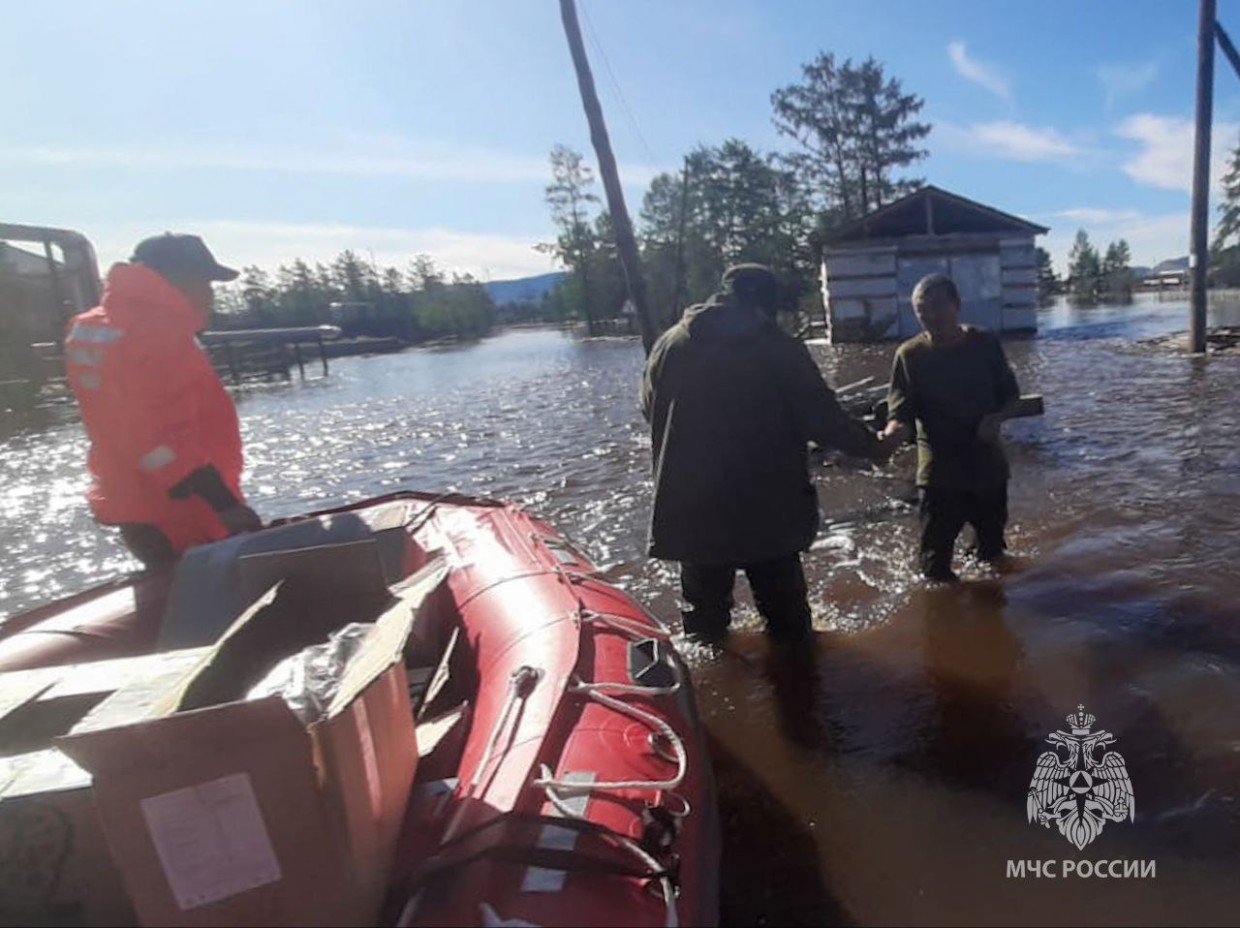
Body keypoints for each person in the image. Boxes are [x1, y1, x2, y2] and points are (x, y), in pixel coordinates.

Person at [641, 264, 899, 642]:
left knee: (703, 629)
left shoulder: (669, 344)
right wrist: (876, 446)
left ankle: (709, 693)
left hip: (692, 508)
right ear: (765, 305)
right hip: (765, 508)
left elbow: (649, 408)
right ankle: (799, 694)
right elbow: (822, 417)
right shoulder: (777, 348)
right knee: (788, 627)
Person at [64, 233, 261, 568]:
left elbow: (125, 423)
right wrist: (224, 503)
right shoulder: (156, 333)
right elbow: (160, 435)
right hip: (181, 510)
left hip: (135, 503)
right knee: (207, 607)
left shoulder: (89, 328)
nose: (211, 294)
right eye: (206, 281)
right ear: (176, 278)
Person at [883, 273, 1022, 582]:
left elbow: (1013, 398)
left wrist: (996, 418)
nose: (931, 316)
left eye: (937, 306)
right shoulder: (910, 355)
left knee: (992, 558)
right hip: (940, 475)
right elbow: (901, 413)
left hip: (988, 468)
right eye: (922, 310)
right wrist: (891, 434)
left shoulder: (985, 343)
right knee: (934, 571)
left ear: (957, 305)